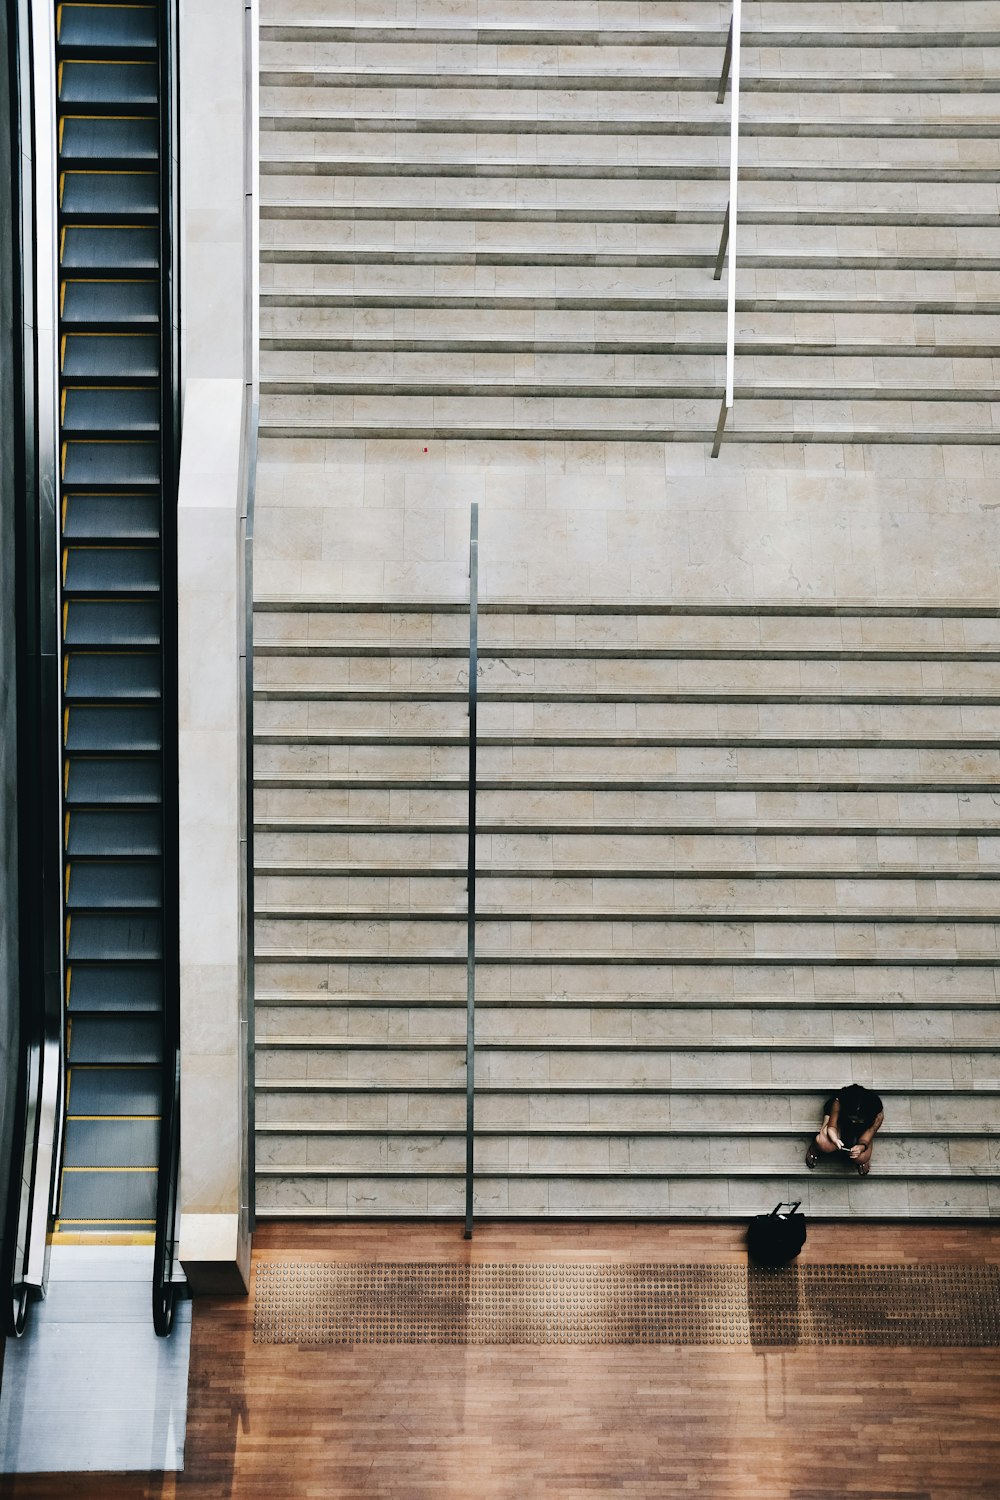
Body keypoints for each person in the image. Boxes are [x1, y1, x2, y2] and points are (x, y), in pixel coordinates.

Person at [805, 1084, 884, 1176]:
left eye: (857, 1119)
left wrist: (862, 1147)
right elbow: (832, 1126)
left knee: (862, 1157)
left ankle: (862, 1152)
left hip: (863, 1127)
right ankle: (815, 1146)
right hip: (839, 1119)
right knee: (824, 1143)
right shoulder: (839, 1102)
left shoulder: (877, 1114)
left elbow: (870, 1131)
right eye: (853, 1118)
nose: (854, 1121)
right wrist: (834, 1139)